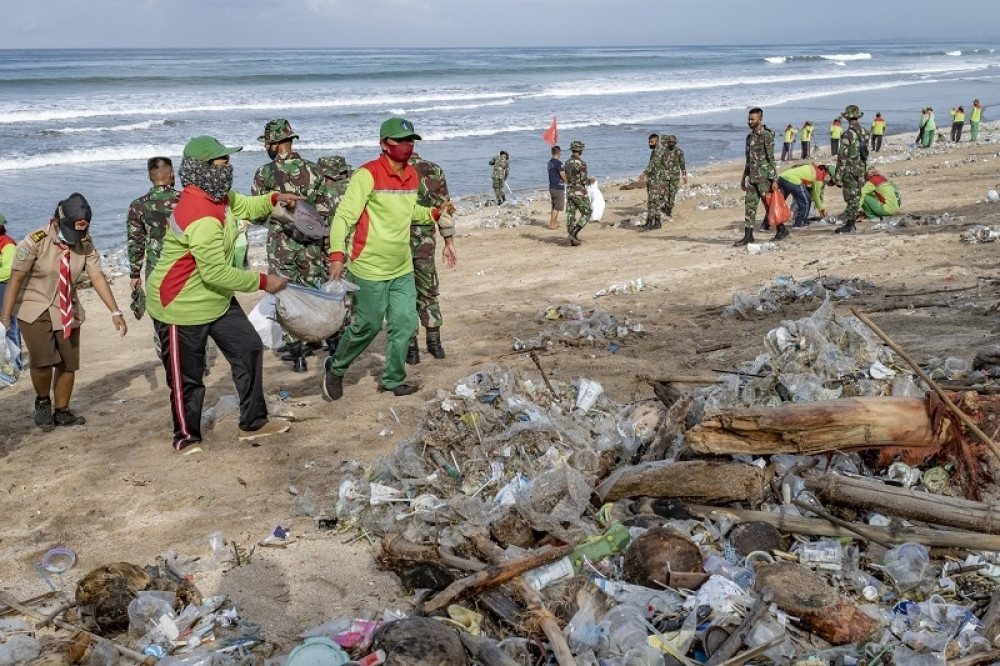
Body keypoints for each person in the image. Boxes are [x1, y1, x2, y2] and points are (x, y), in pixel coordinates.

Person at [146, 135, 297, 451]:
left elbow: (246, 204)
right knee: (187, 378)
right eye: (221, 162)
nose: (228, 167)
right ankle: (186, 438)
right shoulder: (199, 214)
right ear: (201, 169)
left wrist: (273, 199)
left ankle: (253, 422)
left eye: (227, 161)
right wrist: (261, 281)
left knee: (249, 348)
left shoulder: (219, 196)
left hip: (214, 298)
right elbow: (214, 271)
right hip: (180, 305)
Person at [322, 117, 448, 401]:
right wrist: (337, 256)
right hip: (369, 266)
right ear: (384, 144)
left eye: (410, 141)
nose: (407, 146)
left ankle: (393, 379)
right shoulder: (366, 175)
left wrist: (433, 214)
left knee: (404, 323)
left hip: (401, 265)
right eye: (401, 141)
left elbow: (408, 212)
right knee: (366, 326)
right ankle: (336, 366)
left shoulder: (413, 176)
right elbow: (343, 217)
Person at [0, 194, 127, 430]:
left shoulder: (85, 242)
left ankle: (62, 410)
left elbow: (97, 276)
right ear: (57, 221)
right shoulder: (34, 240)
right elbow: (16, 279)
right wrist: (5, 319)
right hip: (34, 305)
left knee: (68, 363)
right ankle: (42, 402)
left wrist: (115, 311)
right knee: (43, 360)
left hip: (67, 306)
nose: (74, 239)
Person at [251, 119, 332, 373]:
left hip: (280, 246)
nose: (265, 146)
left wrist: (278, 219)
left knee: (285, 298)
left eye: (267, 142)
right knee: (312, 295)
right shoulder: (315, 170)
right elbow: (326, 211)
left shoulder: (264, 174)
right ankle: (318, 341)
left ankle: (298, 358)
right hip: (311, 246)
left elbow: (255, 212)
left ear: (275, 144)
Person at [406, 150, 457, 365]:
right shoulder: (432, 169)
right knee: (428, 291)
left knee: (402, 296)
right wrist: (449, 243)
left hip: (393, 244)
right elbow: (445, 210)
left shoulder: (387, 170)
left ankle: (411, 350)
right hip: (424, 243)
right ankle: (434, 344)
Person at [735, 107, 777, 247]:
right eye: (749, 119)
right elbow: (749, 160)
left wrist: (774, 179)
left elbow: (771, 158)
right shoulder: (750, 137)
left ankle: (781, 229)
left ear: (760, 119)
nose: (750, 121)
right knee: (750, 206)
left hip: (764, 178)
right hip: (752, 178)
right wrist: (743, 177)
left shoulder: (766, 135)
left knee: (769, 206)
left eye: (752, 119)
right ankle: (748, 236)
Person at [834, 105, 869, 235]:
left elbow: (842, 156)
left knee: (850, 197)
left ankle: (850, 223)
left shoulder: (848, 134)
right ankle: (850, 222)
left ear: (847, 118)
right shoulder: (865, 132)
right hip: (860, 168)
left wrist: (838, 176)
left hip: (850, 169)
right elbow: (866, 153)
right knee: (856, 196)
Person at [775, 163, 832, 231]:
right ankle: (799, 223)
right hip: (793, 180)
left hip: (783, 177)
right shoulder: (819, 176)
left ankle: (766, 224)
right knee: (806, 200)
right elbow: (816, 196)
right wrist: (822, 209)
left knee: (777, 202)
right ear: (828, 173)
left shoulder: (815, 168)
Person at [564, 140, 594, 246]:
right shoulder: (581, 163)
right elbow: (584, 181)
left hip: (569, 190)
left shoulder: (567, 163)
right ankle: (574, 233)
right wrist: (591, 181)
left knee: (571, 214)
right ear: (580, 150)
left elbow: (566, 177)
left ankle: (572, 239)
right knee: (587, 212)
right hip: (579, 191)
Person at [0, 214, 21, 353]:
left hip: (5, 287)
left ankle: (16, 362)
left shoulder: (7, 243)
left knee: (10, 324)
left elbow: (9, 271)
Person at [637, 134, 665, 231]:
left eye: (651, 142)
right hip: (653, 179)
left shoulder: (658, 152)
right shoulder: (655, 151)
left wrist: (643, 174)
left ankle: (653, 222)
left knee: (653, 202)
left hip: (656, 180)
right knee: (652, 202)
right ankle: (653, 222)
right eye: (649, 142)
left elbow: (652, 165)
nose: (649, 143)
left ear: (657, 142)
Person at [659, 134, 688, 220]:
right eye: (669, 142)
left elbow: (682, 164)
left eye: (672, 142)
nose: (671, 143)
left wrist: (684, 175)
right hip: (664, 176)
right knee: (662, 194)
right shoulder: (663, 151)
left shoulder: (679, 152)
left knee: (672, 194)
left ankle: (668, 211)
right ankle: (664, 207)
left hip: (675, 177)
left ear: (675, 143)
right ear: (667, 142)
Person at [547, 145, 566, 230]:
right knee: (557, 207)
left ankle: (554, 222)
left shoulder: (550, 163)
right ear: (559, 153)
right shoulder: (559, 163)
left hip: (552, 186)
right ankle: (552, 224)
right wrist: (567, 182)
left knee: (554, 206)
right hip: (558, 186)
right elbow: (562, 174)